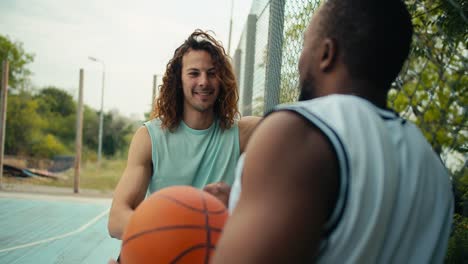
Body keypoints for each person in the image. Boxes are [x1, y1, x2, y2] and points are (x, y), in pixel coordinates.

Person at [212, 0, 454, 263]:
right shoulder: (433, 169)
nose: (300, 60)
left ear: (326, 53)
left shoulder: (298, 132)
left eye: (305, 44)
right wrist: (240, 204)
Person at [108, 29, 260, 242]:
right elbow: (116, 220)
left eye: (212, 73)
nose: (204, 82)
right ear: (178, 81)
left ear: (222, 79)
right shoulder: (150, 137)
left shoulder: (242, 133)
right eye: (194, 73)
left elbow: (296, 129)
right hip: (165, 247)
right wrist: (179, 232)